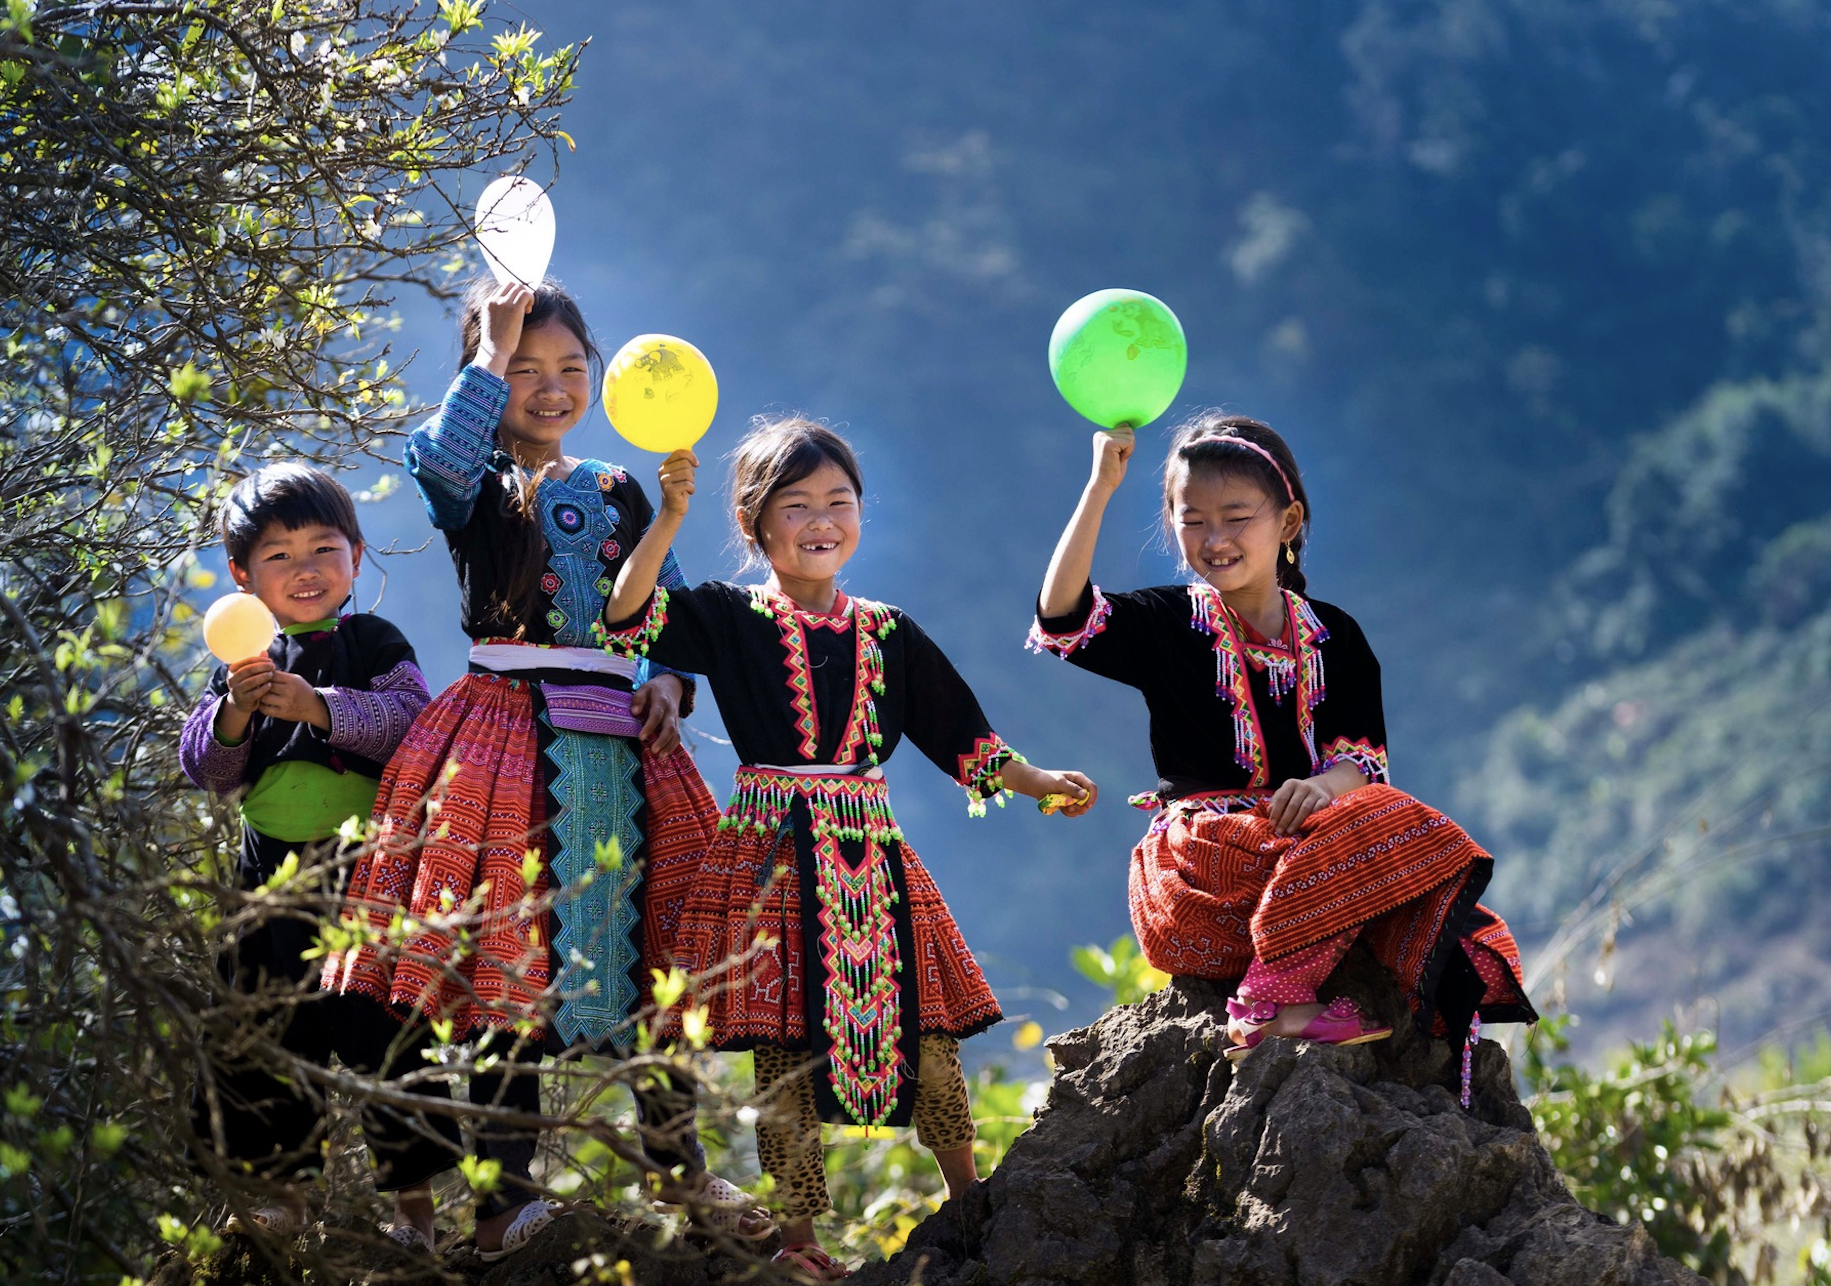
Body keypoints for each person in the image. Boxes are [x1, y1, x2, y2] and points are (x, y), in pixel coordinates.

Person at [319, 278, 764, 1262]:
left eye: (569, 366)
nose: (551, 385)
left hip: (625, 745)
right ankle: (501, 1203)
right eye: (525, 366)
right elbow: (435, 454)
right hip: (499, 743)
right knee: (499, 961)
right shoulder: (469, 484)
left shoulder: (619, 489)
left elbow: (671, 608)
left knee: (660, 958)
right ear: (487, 374)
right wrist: (490, 346)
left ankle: (679, 1166)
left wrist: (673, 684)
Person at [597, 416, 1098, 1282]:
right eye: (796, 505)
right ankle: (798, 1243)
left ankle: (968, 1197)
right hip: (768, 853)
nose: (822, 518)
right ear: (756, 523)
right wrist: (668, 519)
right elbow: (627, 618)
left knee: (928, 1033)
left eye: (839, 499)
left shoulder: (891, 632)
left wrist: (1041, 780)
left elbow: (963, 737)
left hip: (870, 851)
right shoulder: (725, 615)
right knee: (785, 1053)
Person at [1030, 412, 1536, 1075]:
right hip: (1206, 887)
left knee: (1448, 915)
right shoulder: (1165, 624)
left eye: (1236, 516)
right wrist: (1100, 486)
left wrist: (1323, 788)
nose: (1214, 538)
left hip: (1311, 875)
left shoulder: (1338, 637)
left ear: (1288, 522)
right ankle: (1269, 1003)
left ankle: (1338, 1008)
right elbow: (1062, 616)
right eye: (1193, 519)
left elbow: (1362, 765)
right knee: (1381, 830)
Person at [179, 462, 456, 1248]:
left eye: (322, 549)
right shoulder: (239, 661)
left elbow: (413, 724)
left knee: (387, 1042)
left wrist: (320, 707)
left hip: (368, 881)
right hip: (270, 883)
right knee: (266, 1036)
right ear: (241, 577)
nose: (304, 570)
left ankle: (416, 1217)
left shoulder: (373, 641)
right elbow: (210, 770)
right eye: (278, 555)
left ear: (357, 557)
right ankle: (280, 1209)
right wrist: (235, 709)